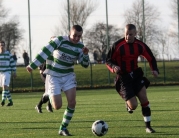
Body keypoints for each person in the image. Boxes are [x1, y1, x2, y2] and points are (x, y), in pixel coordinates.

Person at [26, 25, 90, 136]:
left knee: (72, 102)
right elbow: (45, 51)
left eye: (79, 36)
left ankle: (63, 128)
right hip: (54, 76)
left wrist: (85, 55)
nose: (76, 38)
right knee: (57, 106)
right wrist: (32, 65)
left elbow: (85, 65)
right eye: (74, 35)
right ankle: (49, 93)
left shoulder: (80, 46)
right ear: (70, 33)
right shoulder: (60, 40)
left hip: (68, 76)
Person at [105, 24, 159, 133]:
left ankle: (148, 127)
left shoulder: (140, 45)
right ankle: (129, 105)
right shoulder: (117, 45)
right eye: (126, 34)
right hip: (123, 78)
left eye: (130, 34)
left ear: (135, 34)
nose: (128, 36)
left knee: (144, 98)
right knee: (134, 105)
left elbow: (150, 57)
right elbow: (108, 60)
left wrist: (154, 69)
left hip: (136, 75)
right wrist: (114, 67)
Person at [0, 40, 16, 106]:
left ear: (5, 46)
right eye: (1, 45)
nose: (2, 46)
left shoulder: (8, 54)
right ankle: (10, 101)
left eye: (3, 45)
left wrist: (14, 72)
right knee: (5, 88)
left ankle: (3, 100)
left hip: (7, 72)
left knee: (4, 86)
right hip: (1, 73)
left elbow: (12, 63)